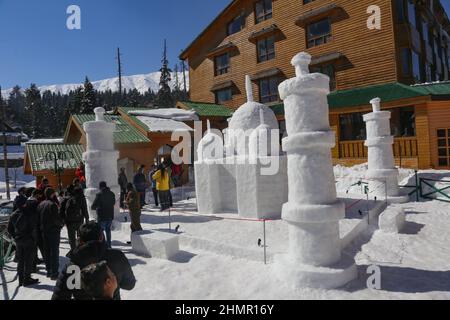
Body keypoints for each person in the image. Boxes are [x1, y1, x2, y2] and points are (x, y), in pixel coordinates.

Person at [51, 221, 136, 300]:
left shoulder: (72, 266)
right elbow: (129, 284)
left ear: (80, 241)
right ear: (102, 237)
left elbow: (59, 296)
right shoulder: (117, 257)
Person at [7, 194, 40, 287]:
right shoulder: (29, 213)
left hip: (18, 241)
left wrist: (15, 236)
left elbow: (9, 229)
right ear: (24, 204)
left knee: (21, 260)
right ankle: (27, 279)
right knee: (28, 260)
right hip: (29, 240)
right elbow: (34, 226)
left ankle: (21, 280)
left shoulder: (13, 214)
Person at [37, 188, 63, 280]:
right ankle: (54, 273)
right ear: (52, 194)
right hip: (53, 231)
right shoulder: (52, 205)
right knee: (54, 251)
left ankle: (48, 271)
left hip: (44, 231)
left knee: (47, 251)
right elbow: (56, 219)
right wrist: (61, 224)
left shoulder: (41, 204)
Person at [61, 186, 89, 250]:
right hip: (79, 221)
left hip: (69, 222)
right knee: (80, 236)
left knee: (71, 238)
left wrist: (63, 220)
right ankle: (80, 250)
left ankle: (73, 251)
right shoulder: (81, 198)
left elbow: (62, 210)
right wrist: (87, 219)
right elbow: (85, 209)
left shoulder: (67, 198)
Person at [91, 181, 116, 248]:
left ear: (100, 187)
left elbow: (93, 206)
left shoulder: (99, 195)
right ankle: (109, 245)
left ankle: (102, 246)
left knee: (100, 232)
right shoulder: (112, 194)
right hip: (110, 215)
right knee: (108, 231)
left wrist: (97, 207)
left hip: (102, 216)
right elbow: (113, 203)